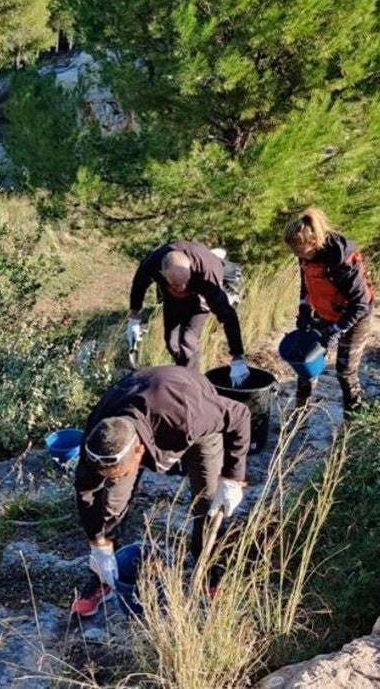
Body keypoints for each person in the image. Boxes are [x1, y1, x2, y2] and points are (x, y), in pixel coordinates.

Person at [71, 366, 251, 617]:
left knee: (208, 504)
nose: (116, 478)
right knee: (111, 502)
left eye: (121, 473)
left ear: (138, 451)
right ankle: (103, 578)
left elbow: (240, 414)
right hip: (137, 401)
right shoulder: (99, 439)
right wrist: (97, 544)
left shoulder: (188, 417)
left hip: (189, 407)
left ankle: (209, 574)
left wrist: (233, 477)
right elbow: (86, 491)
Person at [284, 207, 374, 413]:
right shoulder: (306, 255)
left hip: (355, 316)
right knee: (305, 360)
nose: (296, 255)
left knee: (345, 372)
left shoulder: (340, 260)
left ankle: (354, 421)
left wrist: (335, 330)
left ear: (313, 242)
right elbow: (306, 286)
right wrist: (304, 313)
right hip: (325, 312)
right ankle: (299, 414)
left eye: (298, 250)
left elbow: (359, 304)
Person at [127, 240, 249, 386]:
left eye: (185, 282)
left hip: (200, 294)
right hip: (172, 297)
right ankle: (183, 374)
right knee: (172, 343)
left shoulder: (207, 271)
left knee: (187, 341)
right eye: (178, 285)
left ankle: (192, 384)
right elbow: (139, 284)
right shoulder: (152, 263)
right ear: (162, 273)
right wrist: (134, 317)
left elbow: (227, 315)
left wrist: (237, 356)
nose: (182, 287)